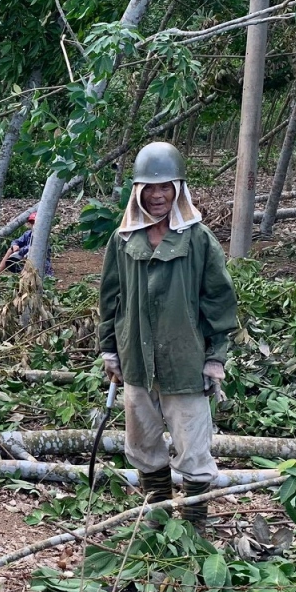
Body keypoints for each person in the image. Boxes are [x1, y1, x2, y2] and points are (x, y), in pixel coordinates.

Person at [97, 142, 238, 530]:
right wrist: (110, 348)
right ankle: (157, 524)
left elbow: (219, 301)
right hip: (137, 363)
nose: (157, 196)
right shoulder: (123, 240)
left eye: (165, 188)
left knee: (193, 452)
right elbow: (111, 298)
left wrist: (215, 357)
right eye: (149, 188)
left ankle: (193, 532)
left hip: (185, 361)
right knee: (143, 447)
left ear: (178, 189)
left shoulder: (198, 239)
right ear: (137, 191)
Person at [0, 212, 53, 276]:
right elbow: (16, 241)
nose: (33, 224)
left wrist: (20, 251)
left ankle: (23, 276)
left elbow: (32, 248)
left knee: (28, 254)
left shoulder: (43, 236)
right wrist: (14, 246)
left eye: (35, 222)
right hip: (25, 257)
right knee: (11, 249)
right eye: (32, 222)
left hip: (39, 264)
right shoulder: (28, 234)